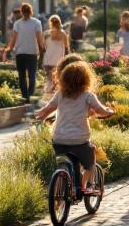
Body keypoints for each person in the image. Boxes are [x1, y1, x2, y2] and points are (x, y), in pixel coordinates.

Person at [34, 58, 115, 196]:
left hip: (59, 140)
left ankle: (63, 179)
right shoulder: (88, 96)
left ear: (63, 79)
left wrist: (42, 114)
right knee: (90, 163)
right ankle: (83, 186)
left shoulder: (60, 94)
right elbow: (100, 110)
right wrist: (109, 111)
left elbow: (49, 108)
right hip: (80, 141)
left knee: (64, 161)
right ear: (87, 79)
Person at [10, 3, 44, 104]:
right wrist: (41, 48)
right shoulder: (36, 22)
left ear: (21, 12)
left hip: (20, 52)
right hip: (32, 52)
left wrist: (11, 48)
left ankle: (24, 96)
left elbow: (14, 38)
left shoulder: (17, 23)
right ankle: (30, 95)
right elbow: (39, 38)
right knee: (32, 75)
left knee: (22, 76)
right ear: (31, 11)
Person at [42, 15, 71, 95]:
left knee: (49, 78)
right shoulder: (63, 34)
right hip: (59, 59)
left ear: (50, 23)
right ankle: (55, 94)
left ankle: (49, 94)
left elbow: (43, 47)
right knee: (57, 78)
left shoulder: (47, 34)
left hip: (48, 59)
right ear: (59, 22)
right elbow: (66, 47)